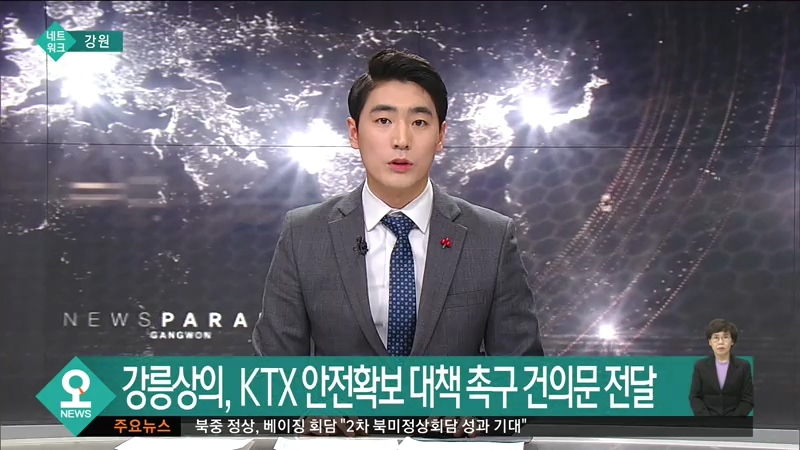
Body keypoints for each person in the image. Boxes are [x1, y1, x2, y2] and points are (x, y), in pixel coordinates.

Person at [252, 48, 544, 358]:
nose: (402, 140)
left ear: (441, 136)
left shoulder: (491, 237)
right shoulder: (304, 234)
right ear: (354, 132)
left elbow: (522, 378)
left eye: (419, 122)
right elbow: (271, 374)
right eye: (383, 120)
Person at [689, 319, 754, 417]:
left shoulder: (743, 366)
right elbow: (694, 397)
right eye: (716, 338)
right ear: (710, 342)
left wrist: (733, 421)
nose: (721, 342)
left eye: (725, 337)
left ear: (732, 341)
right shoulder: (700, 366)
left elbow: (748, 399)